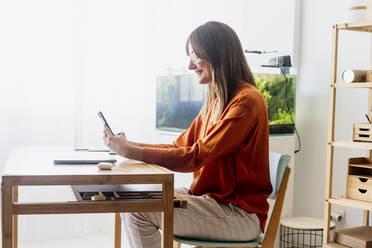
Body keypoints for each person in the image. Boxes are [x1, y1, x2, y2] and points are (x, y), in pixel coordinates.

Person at [103, 21, 272, 248]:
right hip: (211, 201)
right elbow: (179, 146)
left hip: (238, 214)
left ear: (216, 55)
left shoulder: (246, 101)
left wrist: (130, 150)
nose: (190, 66)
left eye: (195, 56)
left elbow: (195, 157)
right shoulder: (215, 99)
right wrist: (127, 145)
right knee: (134, 199)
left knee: (140, 208)